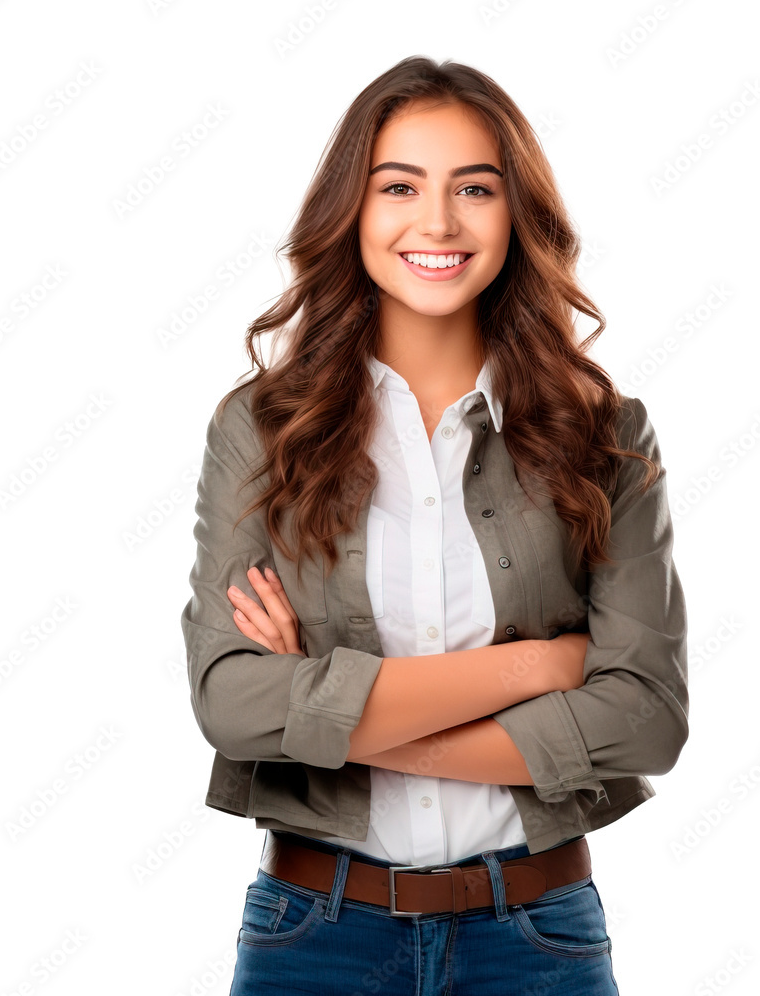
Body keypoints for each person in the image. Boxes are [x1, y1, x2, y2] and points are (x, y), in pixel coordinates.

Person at [181, 54, 689, 996]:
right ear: (353, 211)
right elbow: (234, 705)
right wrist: (539, 667)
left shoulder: (605, 435)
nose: (439, 222)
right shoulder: (258, 430)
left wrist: (330, 711)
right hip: (313, 937)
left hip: (536, 937)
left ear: (516, 216)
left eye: (476, 188)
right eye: (400, 185)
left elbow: (649, 718)